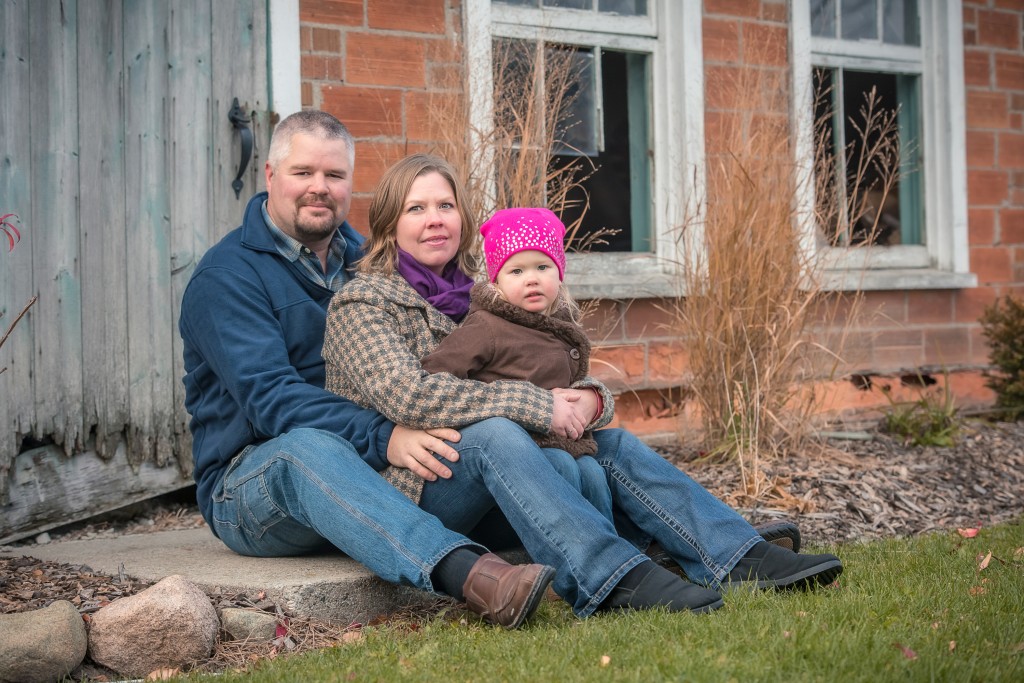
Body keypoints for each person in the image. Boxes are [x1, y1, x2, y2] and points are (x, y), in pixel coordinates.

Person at [323, 153, 843, 618]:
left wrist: (591, 399)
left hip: (525, 473)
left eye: (446, 205)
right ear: (390, 224)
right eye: (416, 208)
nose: (434, 219)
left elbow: (551, 362)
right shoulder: (364, 304)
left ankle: (735, 555)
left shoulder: (496, 291)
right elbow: (410, 395)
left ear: (463, 218)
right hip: (423, 486)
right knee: (496, 434)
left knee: (610, 444)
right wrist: (539, 405)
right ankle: (610, 579)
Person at [178, 110, 559, 630]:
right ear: (270, 176)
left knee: (484, 440)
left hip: (375, 460)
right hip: (253, 484)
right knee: (307, 448)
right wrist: (384, 436)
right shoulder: (227, 277)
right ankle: (474, 578)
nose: (320, 188)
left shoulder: (371, 261)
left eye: (334, 176)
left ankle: (615, 547)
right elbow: (273, 401)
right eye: (303, 173)